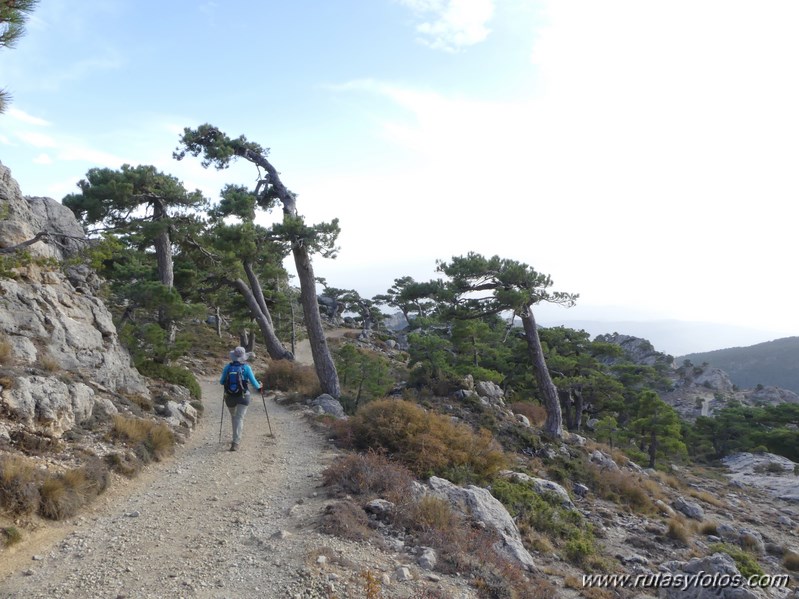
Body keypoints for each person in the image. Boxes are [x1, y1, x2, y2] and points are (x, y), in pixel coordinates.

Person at [220, 346, 263, 451]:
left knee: (234, 417)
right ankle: (236, 442)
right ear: (243, 357)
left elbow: (221, 382)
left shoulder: (227, 367)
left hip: (229, 396)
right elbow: (255, 384)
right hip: (244, 396)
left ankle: (235, 438)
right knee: (239, 418)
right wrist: (260, 386)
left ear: (233, 356)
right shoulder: (247, 368)